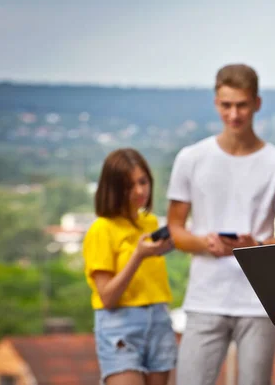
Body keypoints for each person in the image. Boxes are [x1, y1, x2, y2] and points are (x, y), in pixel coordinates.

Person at [167, 63, 275, 385]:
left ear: (257, 103)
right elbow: (176, 230)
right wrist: (206, 244)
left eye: (241, 105)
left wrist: (251, 247)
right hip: (204, 298)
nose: (234, 114)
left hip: (259, 300)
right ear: (216, 103)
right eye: (226, 105)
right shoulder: (191, 158)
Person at [82, 148, 177, 385]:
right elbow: (107, 297)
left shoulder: (150, 222)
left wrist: (163, 248)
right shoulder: (101, 229)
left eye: (143, 182)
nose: (140, 191)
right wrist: (138, 256)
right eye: (129, 186)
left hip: (158, 318)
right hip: (120, 323)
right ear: (113, 189)